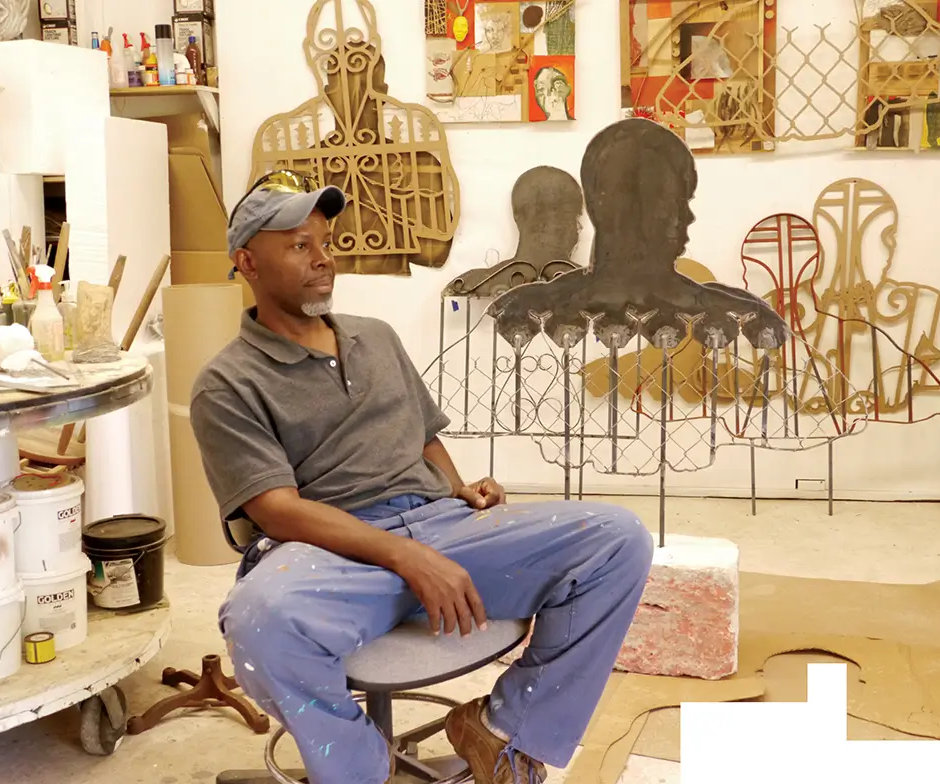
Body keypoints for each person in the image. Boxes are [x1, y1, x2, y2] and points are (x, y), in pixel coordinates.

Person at [189, 171, 655, 784]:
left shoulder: (375, 337)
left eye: (325, 241)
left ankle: (504, 732)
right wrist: (407, 557)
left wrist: (457, 487)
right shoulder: (226, 383)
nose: (324, 259)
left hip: (443, 526)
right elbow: (277, 510)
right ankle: (361, 770)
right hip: (333, 554)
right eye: (299, 245)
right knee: (257, 621)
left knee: (617, 538)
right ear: (248, 262)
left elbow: (424, 436)